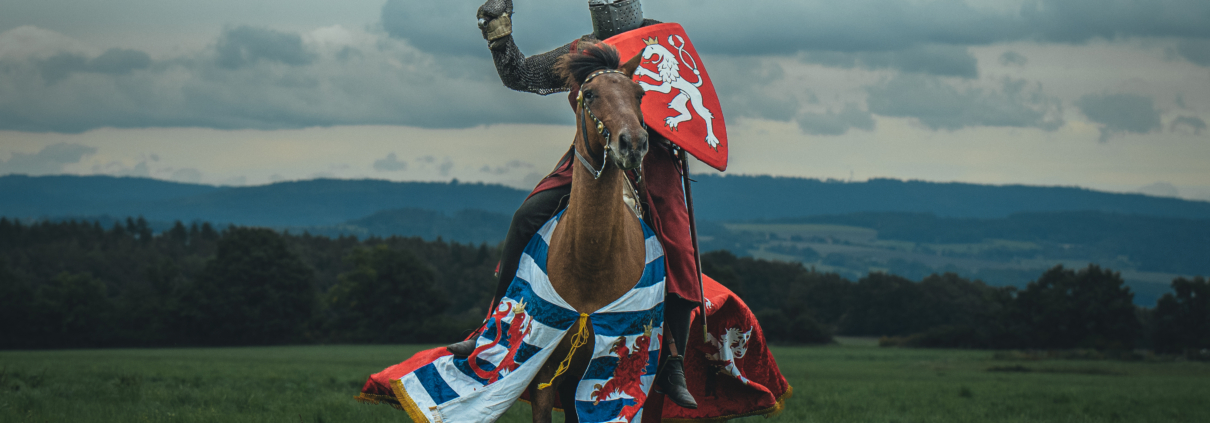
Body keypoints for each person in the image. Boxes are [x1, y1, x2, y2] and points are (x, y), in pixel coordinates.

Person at [448, 0, 702, 409]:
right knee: (526, 216)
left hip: (650, 160)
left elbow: (684, 109)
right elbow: (520, 75)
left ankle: (672, 361)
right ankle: (491, 328)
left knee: (679, 246)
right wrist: (499, 30)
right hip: (590, 159)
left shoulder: (662, 44)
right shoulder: (582, 52)